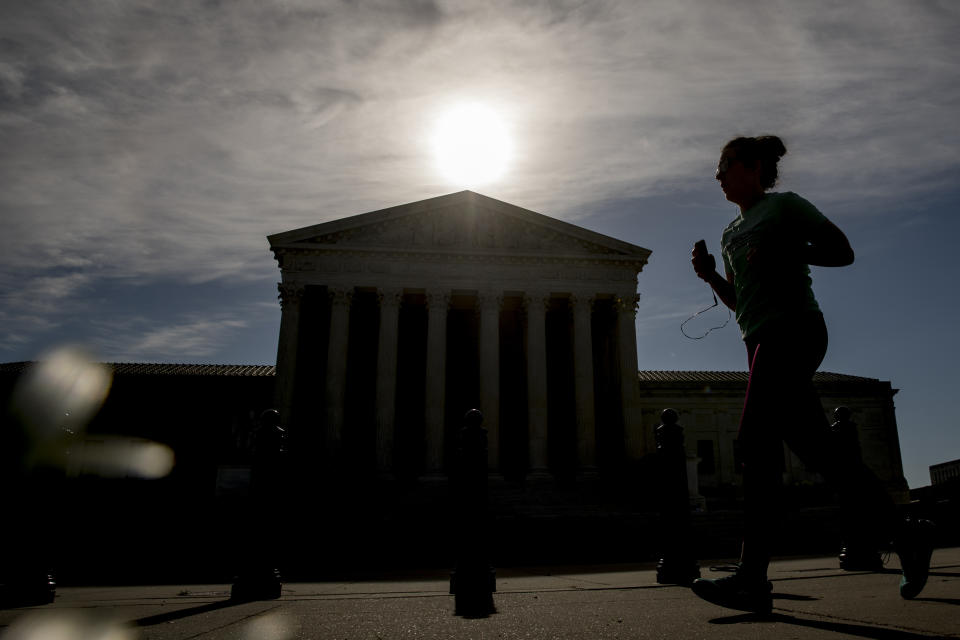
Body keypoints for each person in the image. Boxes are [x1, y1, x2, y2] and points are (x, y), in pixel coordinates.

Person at [688, 135, 934, 614]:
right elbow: (740, 302)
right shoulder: (729, 232)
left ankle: (752, 580)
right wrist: (710, 276)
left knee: (755, 445)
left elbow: (842, 252)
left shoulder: (785, 208)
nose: (719, 176)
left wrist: (789, 252)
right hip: (758, 341)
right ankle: (906, 533)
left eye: (727, 166)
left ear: (754, 166)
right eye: (717, 170)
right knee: (822, 452)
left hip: (795, 330)